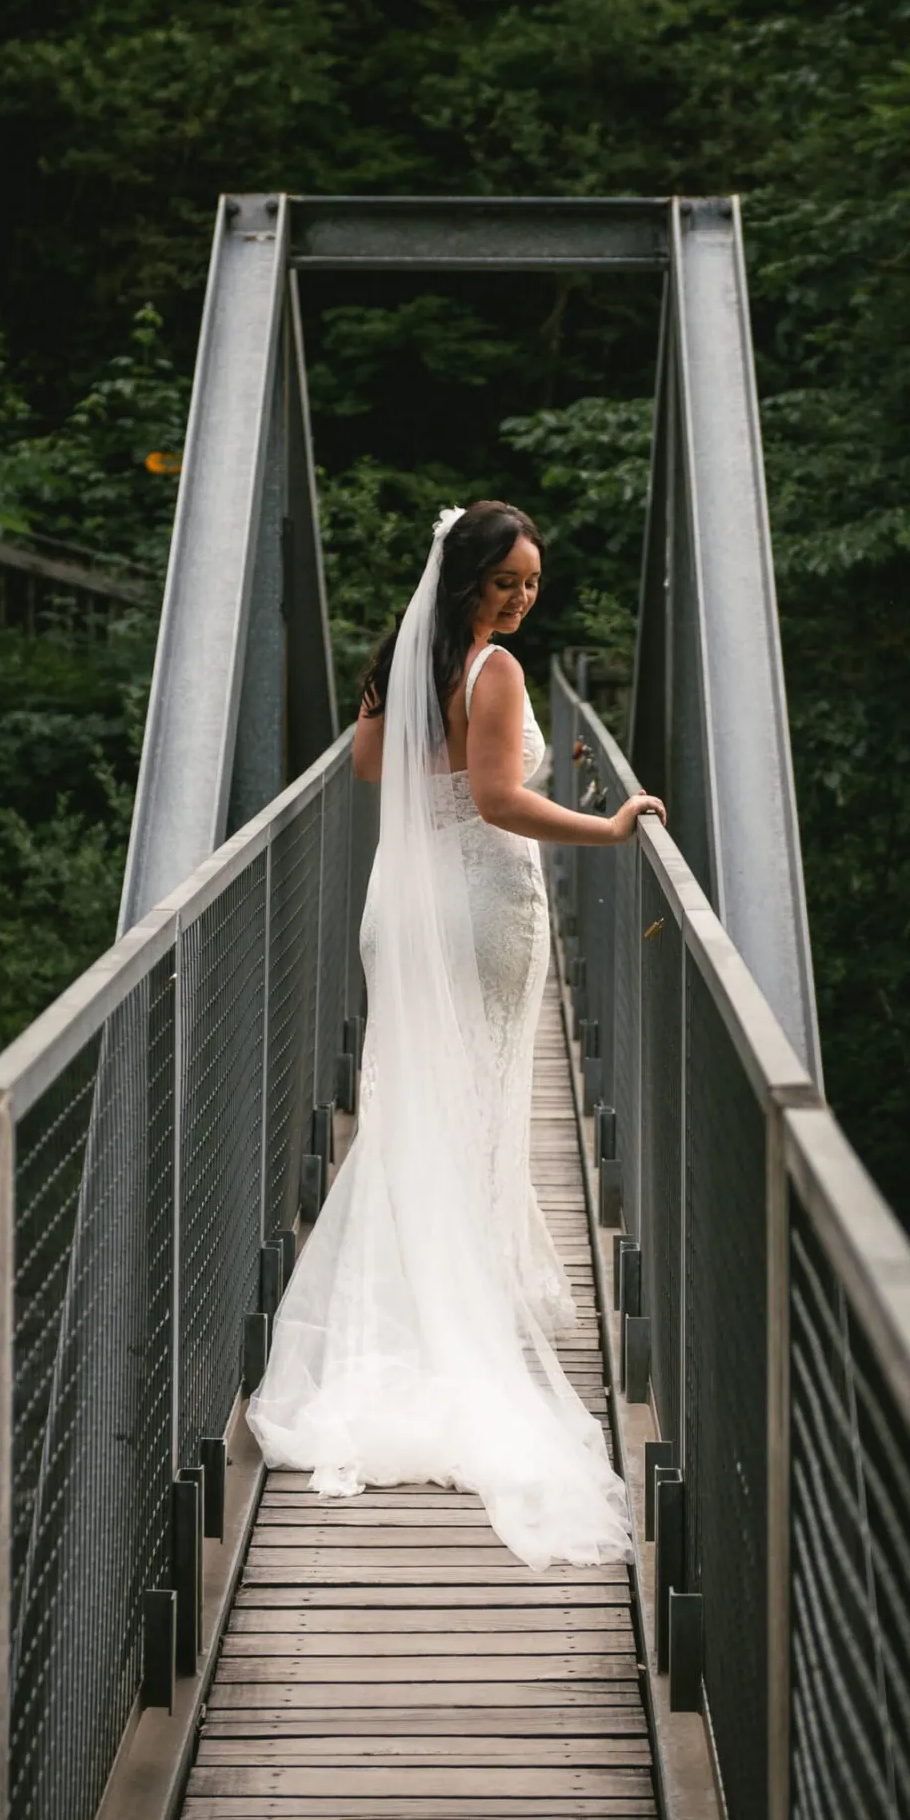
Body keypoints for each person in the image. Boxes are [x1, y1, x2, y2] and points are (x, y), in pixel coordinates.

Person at [247, 501, 665, 1569]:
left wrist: (509, 766)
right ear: (468, 578)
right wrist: (606, 825)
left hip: (405, 912)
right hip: (481, 912)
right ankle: (452, 1305)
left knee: (417, 1105)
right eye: (505, 583)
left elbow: (378, 770)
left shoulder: (411, 657)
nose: (521, 600)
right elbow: (494, 802)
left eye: (531, 583)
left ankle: (415, 1295)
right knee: (476, 1102)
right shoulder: (497, 675)